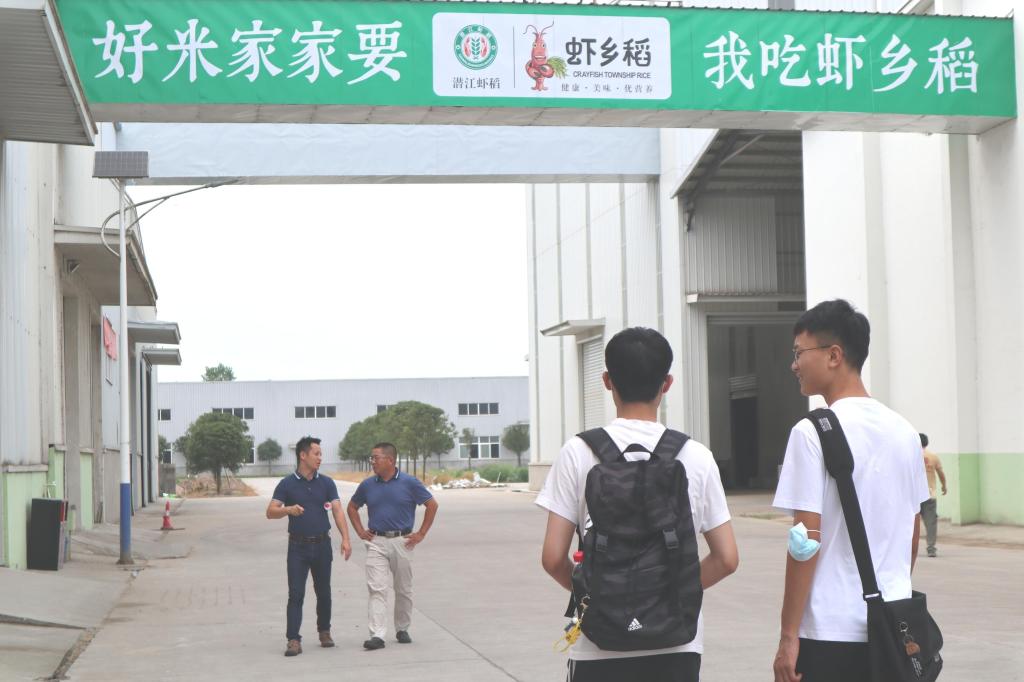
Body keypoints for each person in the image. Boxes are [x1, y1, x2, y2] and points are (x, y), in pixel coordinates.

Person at [537, 327, 739, 682]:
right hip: (676, 645)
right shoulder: (696, 456)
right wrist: (668, 595)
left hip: (599, 646)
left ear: (607, 380)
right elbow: (726, 559)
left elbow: (553, 558)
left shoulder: (578, 453)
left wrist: (602, 599)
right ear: (667, 383)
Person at [772, 300, 930, 682]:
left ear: (834, 355)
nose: (794, 365)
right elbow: (912, 534)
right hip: (893, 626)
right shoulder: (905, 432)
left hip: (829, 632)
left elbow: (804, 541)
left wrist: (788, 635)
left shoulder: (810, 432)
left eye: (799, 353)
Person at [347, 442, 439, 651]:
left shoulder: (410, 483)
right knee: (376, 589)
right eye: (371, 458)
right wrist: (360, 531)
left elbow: (432, 505)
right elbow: (352, 507)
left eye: (375, 458)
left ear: (390, 460)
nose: (372, 461)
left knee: (403, 589)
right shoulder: (367, 485)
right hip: (376, 542)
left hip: (403, 541)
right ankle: (377, 635)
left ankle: (402, 628)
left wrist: (421, 533)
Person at [266, 436, 352, 657]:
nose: (320, 458)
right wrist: (288, 510)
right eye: (316, 454)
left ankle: (324, 631)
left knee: (324, 592)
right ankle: (293, 639)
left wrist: (346, 538)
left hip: (322, 545)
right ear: (303, 455)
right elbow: (270, 511)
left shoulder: (327, 483)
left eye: (321, 454)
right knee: (296, 594)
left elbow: (337, 510)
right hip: (298, 548)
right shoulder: (287, 484)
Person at [919, 433, 947, 558]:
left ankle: (908, 548)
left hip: (913, 496)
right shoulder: (933, 457)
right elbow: (940, 473)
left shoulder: (910, 457)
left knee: (909, 523)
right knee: (931, 523)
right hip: (929, 495)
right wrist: (944, 486)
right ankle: (931, 548)